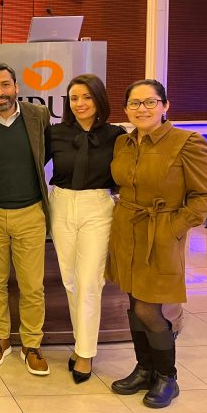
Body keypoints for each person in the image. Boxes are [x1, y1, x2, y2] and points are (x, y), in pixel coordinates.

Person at [108, 79, 207, 408]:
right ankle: (145, 368)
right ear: (126, 110)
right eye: (135, 103)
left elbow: (203, 195)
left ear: (165, 105)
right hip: (128, 230)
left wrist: (174, 228)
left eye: (150, 102)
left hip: (161, 232)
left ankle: (168, 376)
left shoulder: (186, 142)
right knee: (134, 301)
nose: (142, 109)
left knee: (148, 307)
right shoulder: (124, 143)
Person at [0, 63, 51, 375]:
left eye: (5, 85)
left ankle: (31, 344)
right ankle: (0, 339)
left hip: (31, 212)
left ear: (16, 86)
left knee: (32, 285)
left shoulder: (38, 116)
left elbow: (47, 153)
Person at [47, 74, 125, 383]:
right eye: (74, 98)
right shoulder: (55, 134)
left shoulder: (116, 135)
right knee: (69, 281)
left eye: (86, 97)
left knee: (90, 281)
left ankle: (85, 354)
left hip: (97, 207)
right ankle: (82, 344)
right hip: (62, 204)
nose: (80, 104)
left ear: (99, 100)